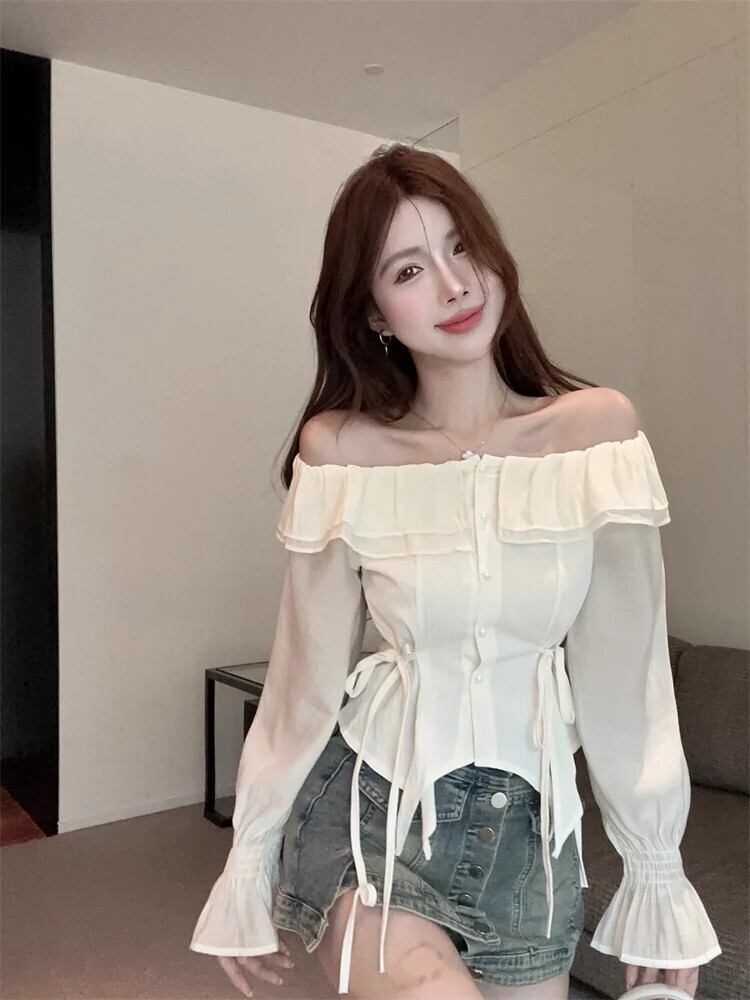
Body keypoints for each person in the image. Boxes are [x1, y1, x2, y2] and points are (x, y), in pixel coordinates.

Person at [189, 144, 721, 1000]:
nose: (453, 284)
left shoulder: (597, 436)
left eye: (462, 246)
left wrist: (657, 872)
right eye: (409, 269)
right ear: (373, 313)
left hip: (533, 848)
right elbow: (302, 681)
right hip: (374, 816)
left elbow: (626, 679)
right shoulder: (343, 451)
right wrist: (248, 855)